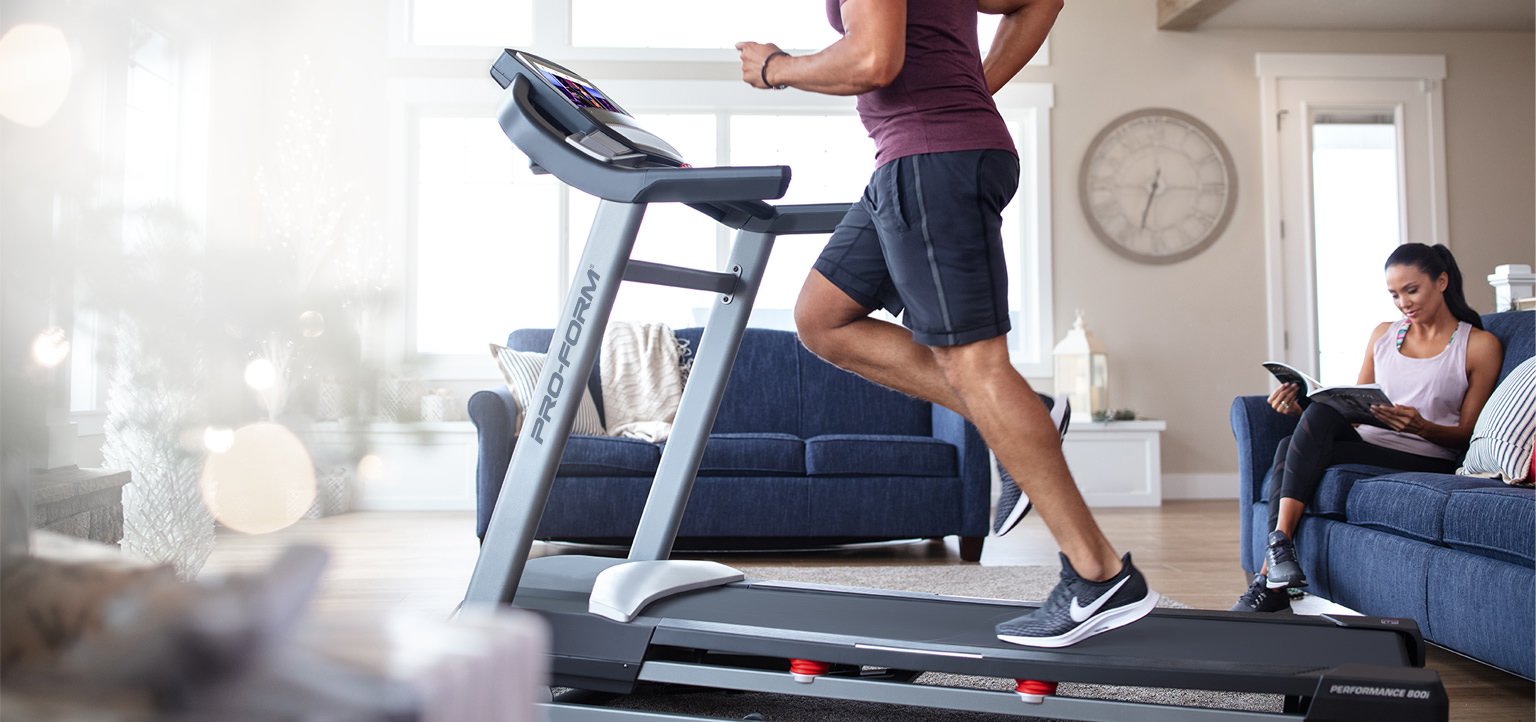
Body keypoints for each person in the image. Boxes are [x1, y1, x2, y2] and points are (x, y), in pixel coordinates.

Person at [737, 0, 1160, 649]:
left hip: (932, 159)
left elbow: (875, 59)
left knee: (976, 365)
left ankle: (1097, 572)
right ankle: (1030, 414)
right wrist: (975, 87)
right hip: (915, 157)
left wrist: (775, 68)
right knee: (822, 318)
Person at [1232, 243, 1504, 613]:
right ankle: (1278, 555)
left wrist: (1422, 427)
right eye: (1394, 294)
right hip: (1370, 442)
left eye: (1412, 290)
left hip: (1426, 455)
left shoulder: (1478, 345)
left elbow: (1469, 435)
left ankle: (1270, 576)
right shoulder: (1383, 335)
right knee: (1313, 419)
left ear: (1441, 282)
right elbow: (1352, 407)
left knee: (1290, 445)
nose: (1403, 303)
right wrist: (1302, 408)